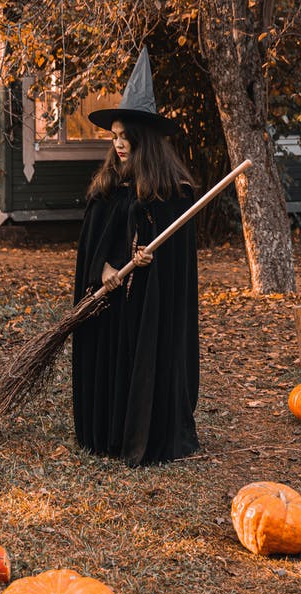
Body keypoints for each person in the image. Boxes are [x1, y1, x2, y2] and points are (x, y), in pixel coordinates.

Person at [71, 48, 200, 466]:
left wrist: (151, 261)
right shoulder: (107, 188)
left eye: (127, 137)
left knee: (146, 357)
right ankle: (111, 428)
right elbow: (93, 243)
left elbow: (178, 264)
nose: (120, 144)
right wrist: (104, 268)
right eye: (115, 136)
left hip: (150, 311)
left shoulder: (174, 194)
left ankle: (146, 428)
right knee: (113, 356)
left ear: (146, 141)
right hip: (111, 308)